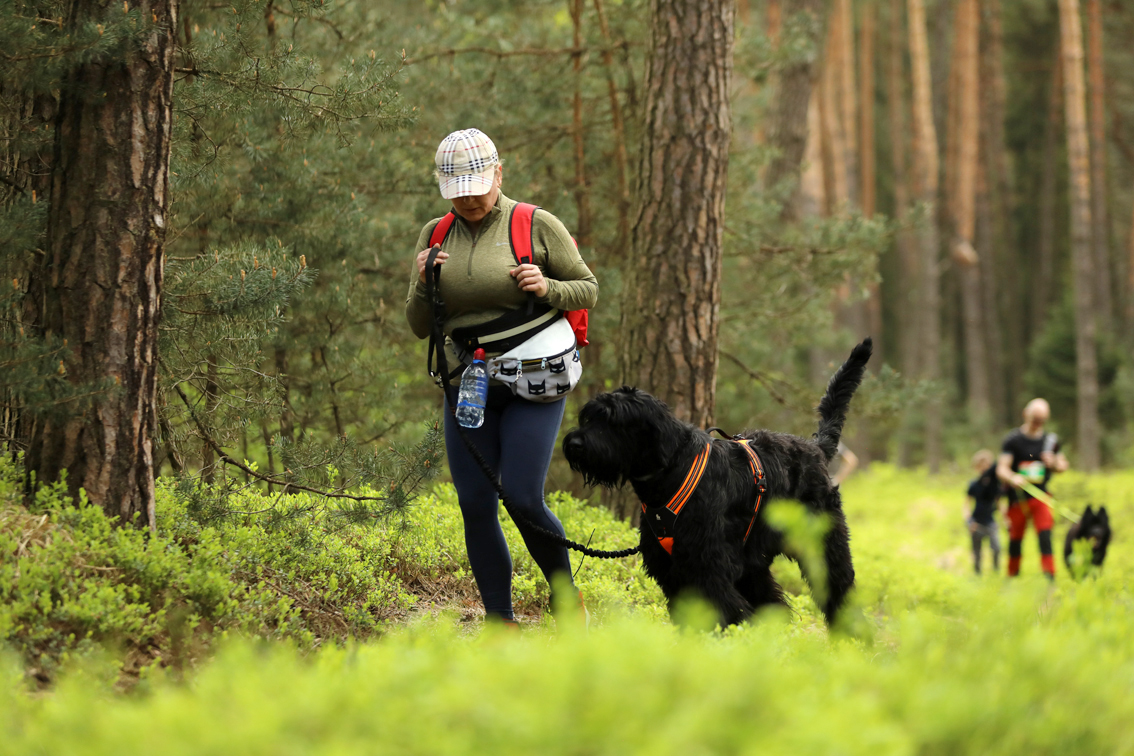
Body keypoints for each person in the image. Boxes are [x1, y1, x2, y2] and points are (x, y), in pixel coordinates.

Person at [405, 128, 598, 625]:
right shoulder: (435, 234)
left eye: (477, 187)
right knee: (474, 502)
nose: (469, 199)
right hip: (467, 384)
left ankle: (566, 602)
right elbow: (419, 325)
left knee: (521, 495)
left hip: (534, 380)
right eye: (458, 191)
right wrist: (424, 282)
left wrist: (548, 286)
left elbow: (587, 288)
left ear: (498, 174)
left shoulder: (535, 224)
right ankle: (499, 622)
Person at [996, 398, 1069, 578]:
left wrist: (1054, 463)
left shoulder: (1050, 441)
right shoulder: (1013, 440)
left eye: (1041, 420)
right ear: (1025, 415)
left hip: (1041, 496)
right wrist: (1012, 477)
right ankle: (1012, 577)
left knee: (1045, 535)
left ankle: (1050, 578)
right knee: (1015, 538)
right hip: (1017, 498)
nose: (1037, 423)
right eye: (1035, 419)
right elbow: (1001, 468)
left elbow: (1063, 465)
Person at [964, 449, 1001, 575]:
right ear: (976, 467)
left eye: (987, 465)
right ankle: (977, 575)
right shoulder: (974, 484)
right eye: (981, 465)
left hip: (990, 521)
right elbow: (966, 504)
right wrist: (969, 521)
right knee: (977, 552)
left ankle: (996, 573)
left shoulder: (994, 485)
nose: (984, 468)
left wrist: (1005, 518)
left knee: (996, 548)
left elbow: (999, 503)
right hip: (977, 522)